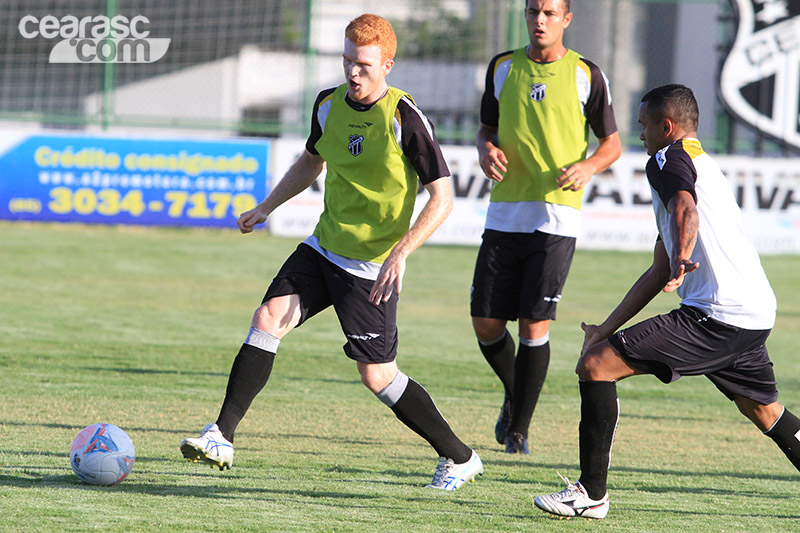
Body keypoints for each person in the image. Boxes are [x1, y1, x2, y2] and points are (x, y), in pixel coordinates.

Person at [179, 13, 483, 491]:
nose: (353, 73)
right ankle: (221, 435)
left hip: (370, 267)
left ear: (387, 65)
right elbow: (311, 161)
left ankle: (460, 456)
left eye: (363, 65)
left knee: (377, 376)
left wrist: (401, 252)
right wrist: (266, 207)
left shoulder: (405, 118)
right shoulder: (327, 104)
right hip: (324, 247)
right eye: (347, 61)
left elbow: (442, 198)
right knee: (267, 319)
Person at [534, 84, 800, 519]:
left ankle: (591, 494)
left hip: (718, 314)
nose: (640, 135)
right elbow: (659, 270)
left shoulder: (666, 158)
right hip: (753, 313)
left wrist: (682, 255)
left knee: (596, 366)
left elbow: (685, 210)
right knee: (765, 410)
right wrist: (604, 328)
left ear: (667, 127)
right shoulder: (703, 165)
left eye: (643, 126)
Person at [472, 0, 621, 454]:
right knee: (485, 322)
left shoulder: (586, 74)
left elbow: (611, 144)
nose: (540, 20)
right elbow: (485, 130)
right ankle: (516, 393)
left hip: (557, 216)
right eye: (533, 11)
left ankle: (518, 431)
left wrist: (588, 167)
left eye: (550, 13)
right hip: (505, 211)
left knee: (534, 324)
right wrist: (485, 149)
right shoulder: (502, 68)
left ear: (566, 19)